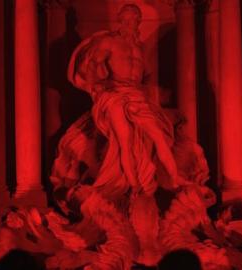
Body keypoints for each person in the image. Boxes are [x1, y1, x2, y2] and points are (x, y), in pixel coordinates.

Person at [67, 4, 186, 197]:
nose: (133, 23)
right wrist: (94, 86)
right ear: (121, 21)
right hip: (115, 94)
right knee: (125, 140)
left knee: (159, 136)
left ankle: (175, 178)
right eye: (129, 20)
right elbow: (92, 64)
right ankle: (133, 183)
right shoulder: (108, 41)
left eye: (136, 20)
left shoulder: (138, 46)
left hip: (137, 96)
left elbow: (143, 76)